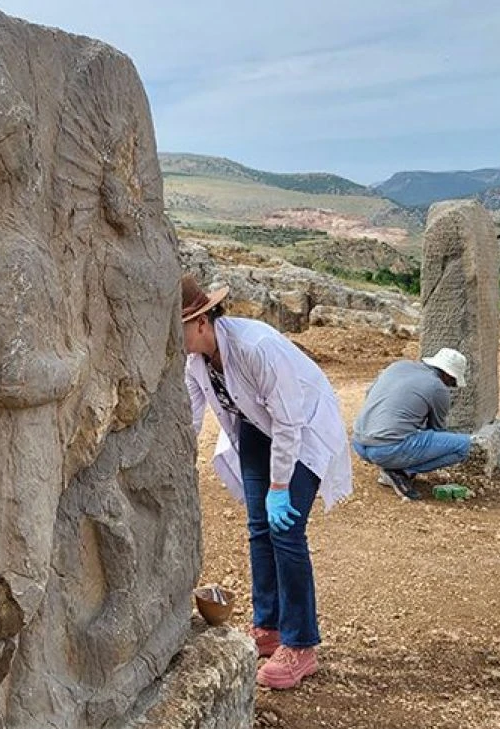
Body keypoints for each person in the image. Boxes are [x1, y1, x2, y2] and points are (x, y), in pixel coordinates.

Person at [182, 274, 352, 690]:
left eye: (177, 329)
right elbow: (188, 418)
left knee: (286, 529)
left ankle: (301, 644)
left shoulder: (255, 347)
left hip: (300, 426)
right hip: (257, 429)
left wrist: (279, 488)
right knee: (260, 528)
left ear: (201, 323)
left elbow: (290, 421)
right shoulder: (195, 361)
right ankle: (269, 626)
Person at [351, 348, 472, 500]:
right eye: (452, 382)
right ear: (448, 374)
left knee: (407, 433)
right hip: (385, 449)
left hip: (359, 443)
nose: (450, 387)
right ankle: (401, 472)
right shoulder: (437, 388)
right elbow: (438, 430)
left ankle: (394, 465)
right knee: (464, 446)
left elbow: (370, 393)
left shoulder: (399, 366)